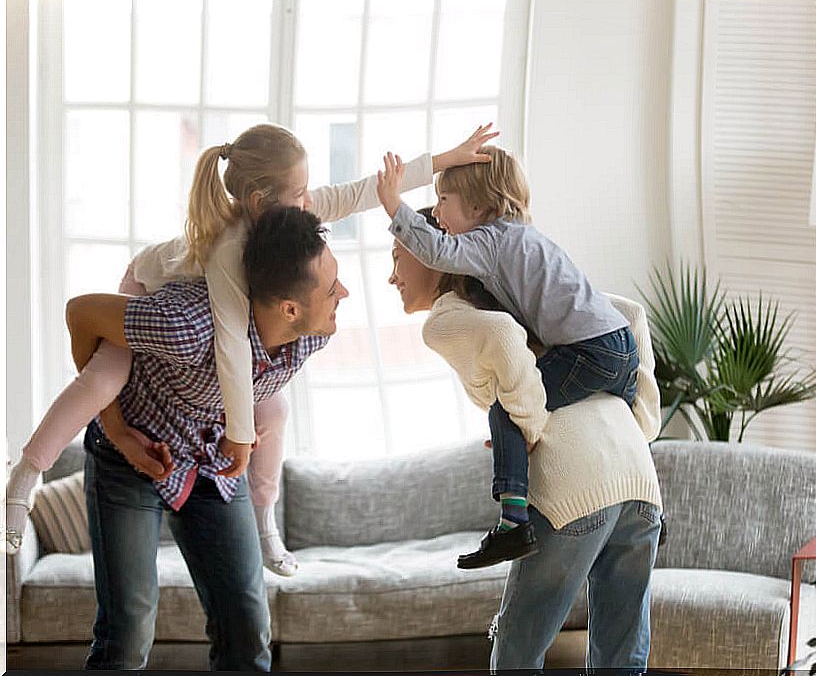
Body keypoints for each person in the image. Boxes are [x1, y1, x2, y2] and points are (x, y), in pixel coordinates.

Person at [4, 122, 498, 576]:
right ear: (261, 200)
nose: (309, 200)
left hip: (204, 330)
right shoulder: (229, 253)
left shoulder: (288, 214)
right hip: (143, 285)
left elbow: (360, 192)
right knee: (104, 380)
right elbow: (232, 351)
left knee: (276, 408)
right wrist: (239, 435)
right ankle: (27, 474)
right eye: (299, 191)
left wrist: (445, 158)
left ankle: (265, 524)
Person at [66, 206, 344, 670]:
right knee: (128, 632)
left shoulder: (314, 334)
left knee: (247, 626)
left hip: (212, 459)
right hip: (130, 455)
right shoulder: (184, 328)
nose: (345, 295)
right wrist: (115, 428)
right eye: (333, 289)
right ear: (290, 307)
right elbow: (80, 314)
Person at [387, 220, 665, 672]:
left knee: (517, 649)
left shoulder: (447, 318)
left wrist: (529, 424)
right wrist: (643, 421)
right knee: (621, 652)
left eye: (398, 257)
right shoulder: (517, 293)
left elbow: (501, 338)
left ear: (432, 254)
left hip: (573, 491)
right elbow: (630, 314)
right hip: (637, 479)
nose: (392, 275)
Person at [376, 147, 639, 569]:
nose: (439, 212)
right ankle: (656, 518)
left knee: (507, 412)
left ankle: (512, 523)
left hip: (589, 351)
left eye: (444, 201)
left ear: (479, 206)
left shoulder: (490, 241)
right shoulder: (526, 236)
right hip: (621, 344)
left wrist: (393, 204)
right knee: (619, 430)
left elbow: (438, 252)